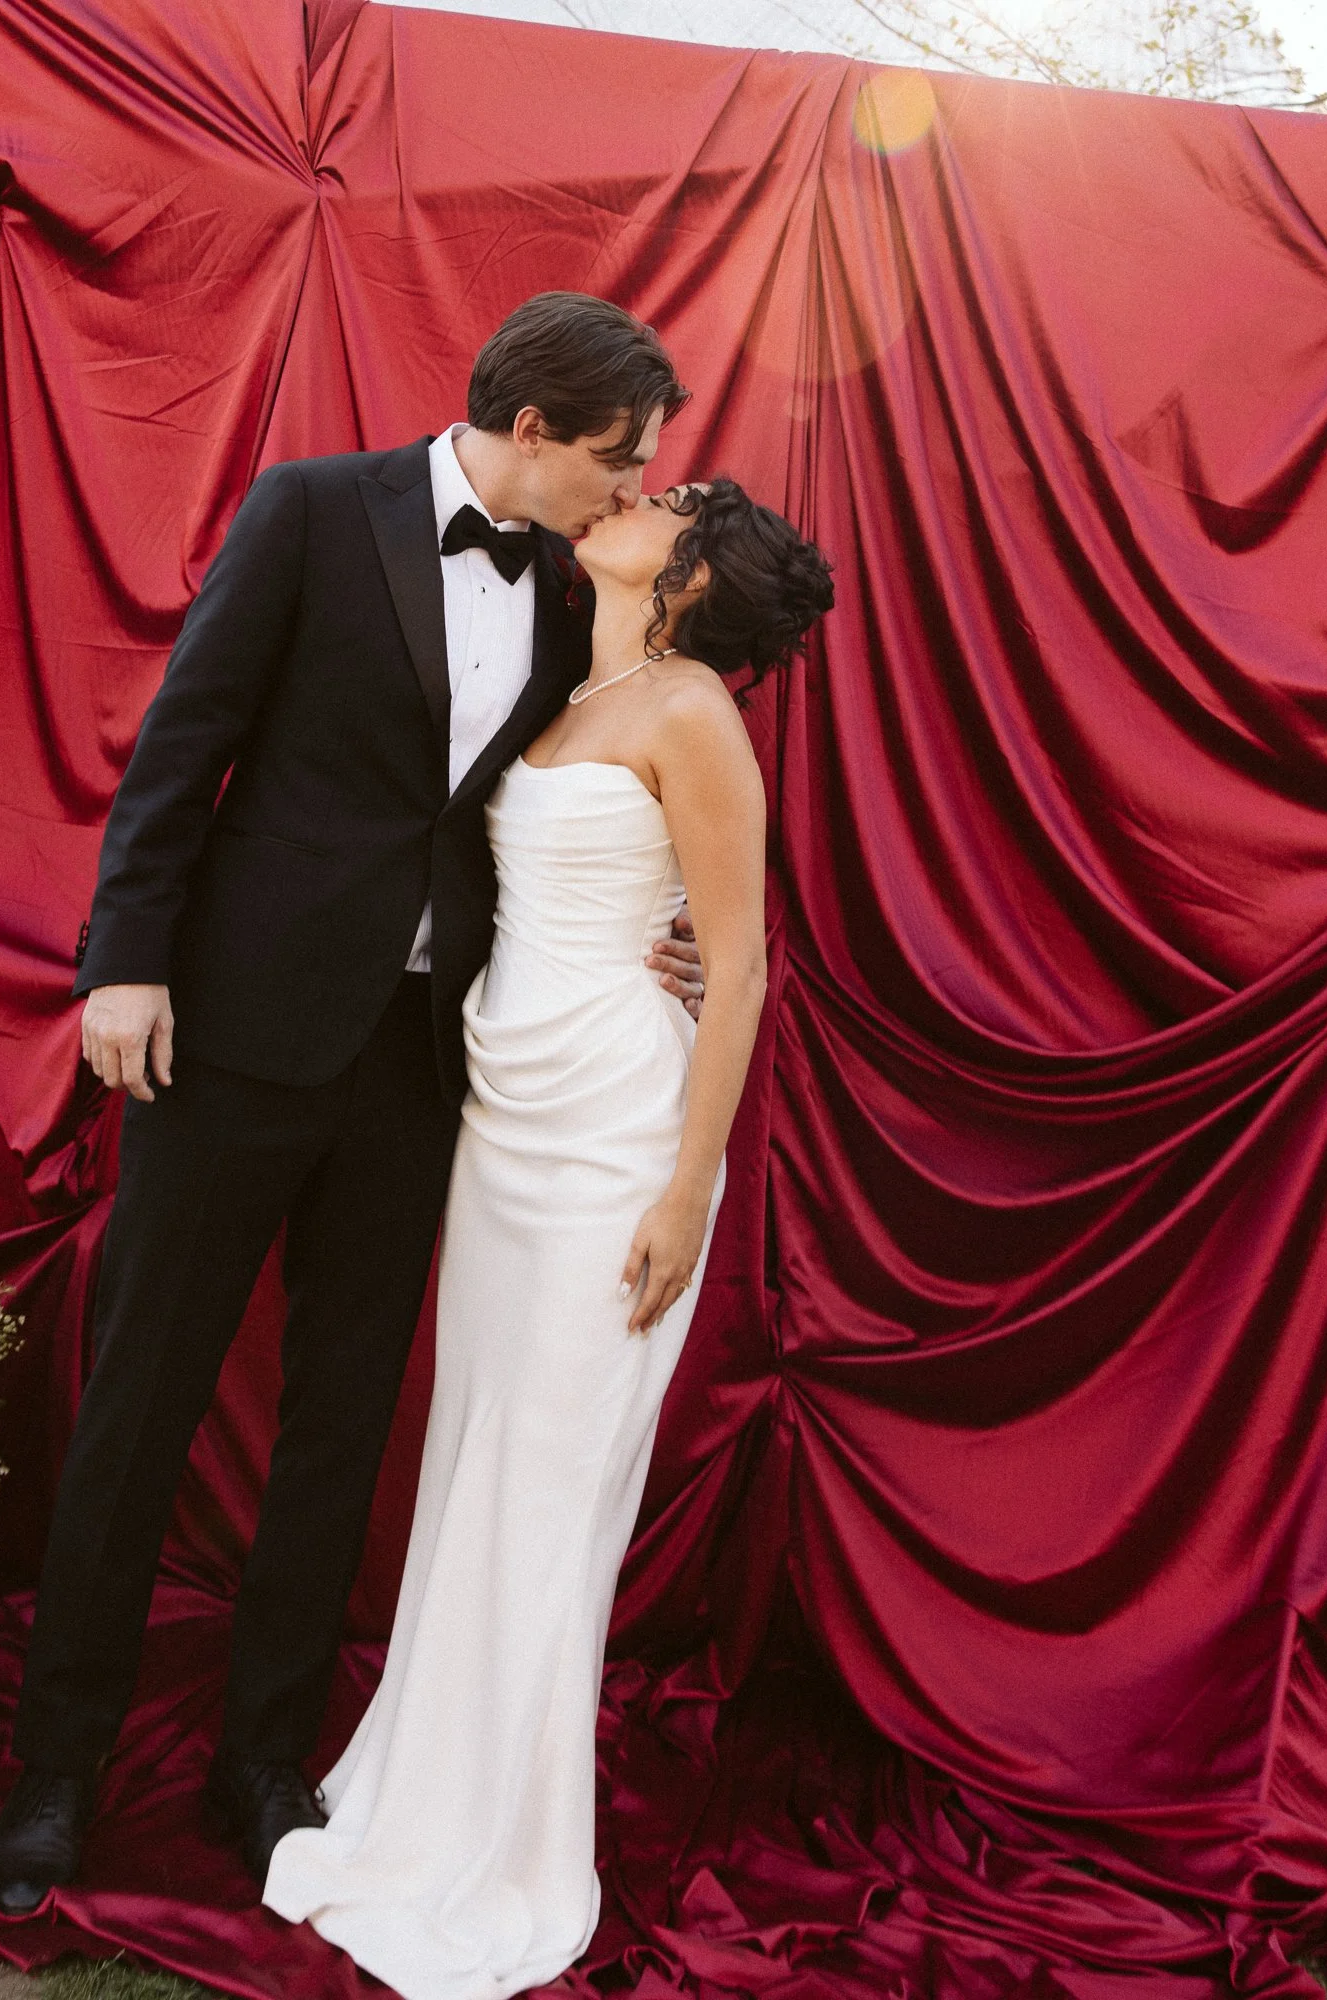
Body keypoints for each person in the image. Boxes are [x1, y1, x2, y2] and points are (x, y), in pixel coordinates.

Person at [0, 292, 708, 1913]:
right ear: (531, 430)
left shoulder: (585, 592)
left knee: (339, 1429)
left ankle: (265, 1766)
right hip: (227, 1036)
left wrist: (653, 926)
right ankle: (56, 1775)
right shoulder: (313, 507)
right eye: (615, 454)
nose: (632, 483)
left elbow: (582, 790)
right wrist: (127, 959)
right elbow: (189, 738)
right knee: (141, 1404)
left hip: (426, 1066)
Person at [262, 479, 835, 2000]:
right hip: (499, 1130)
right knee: (475, 1460)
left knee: (554, 1489)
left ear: (699, 571)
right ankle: (418, 1792)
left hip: (615, 1142)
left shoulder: (695, 709)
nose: (643, 490)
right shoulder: (574, 674)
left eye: (678, 500)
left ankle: (507, 1848)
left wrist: (687, 1191)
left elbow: (743, 967)